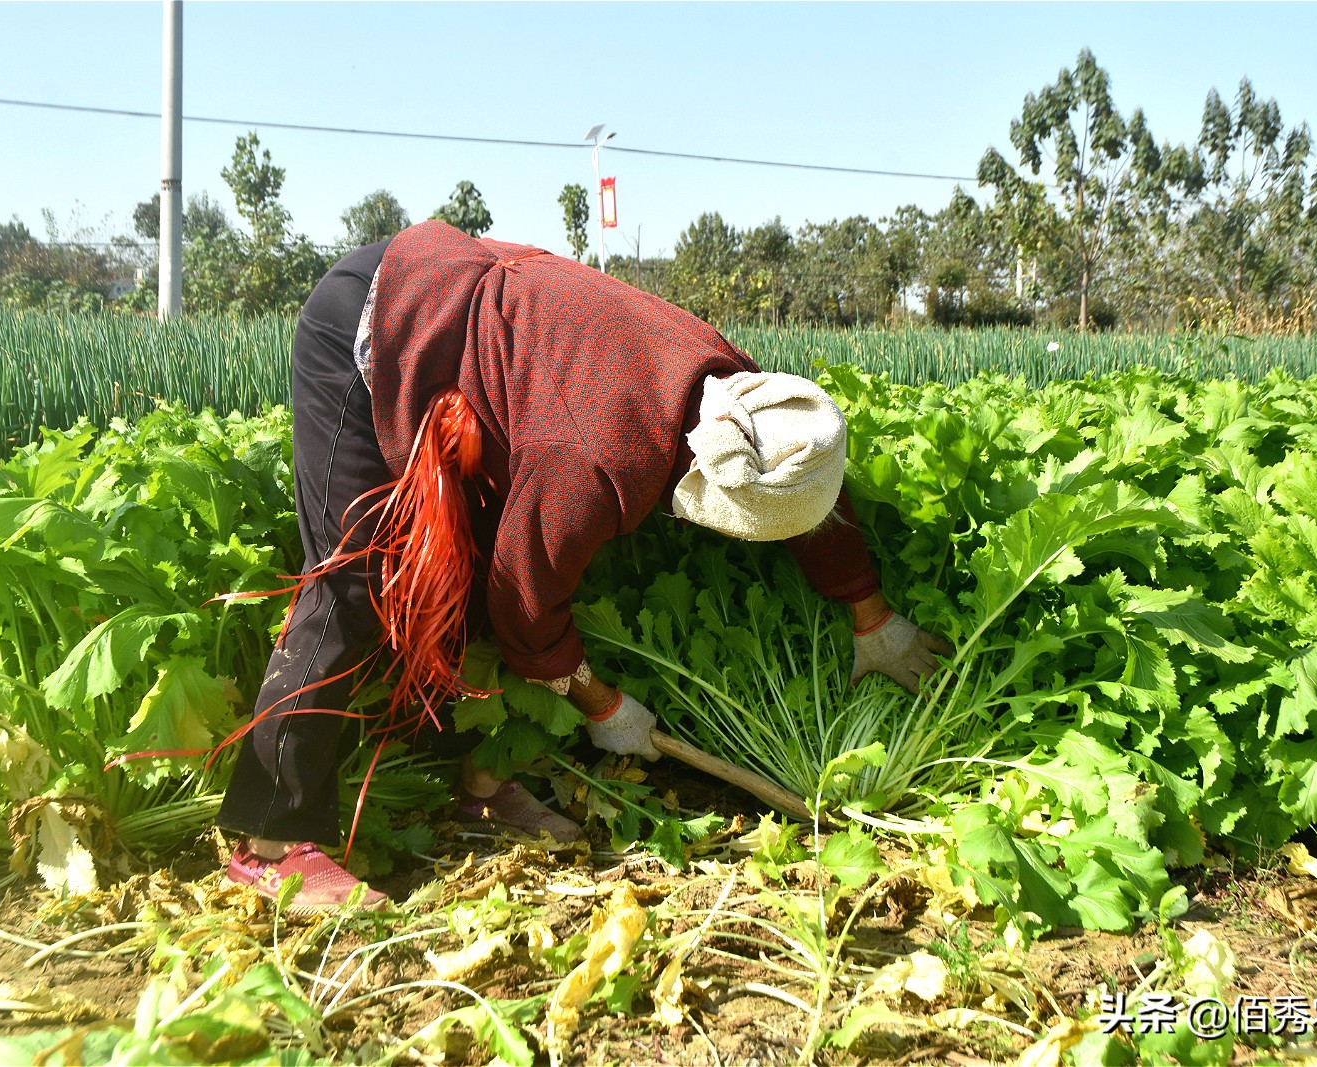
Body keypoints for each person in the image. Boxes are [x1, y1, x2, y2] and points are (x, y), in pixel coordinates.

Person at [215, 221, 950, 909]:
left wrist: (870, 613)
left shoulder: (740, 396)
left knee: (456, 574)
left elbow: (808, 481)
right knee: (359, 576)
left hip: (482, 329)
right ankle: (270, 836)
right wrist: (604, 705)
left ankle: (474, 782)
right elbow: (523, 603)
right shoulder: (592, 457)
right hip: (378, 322)